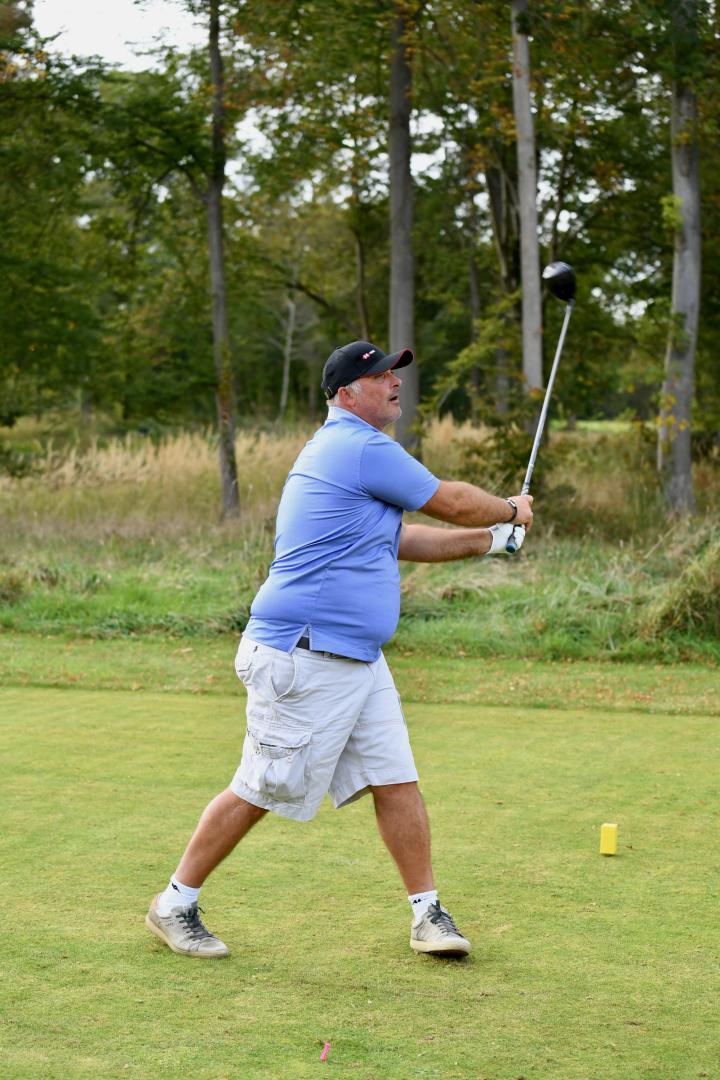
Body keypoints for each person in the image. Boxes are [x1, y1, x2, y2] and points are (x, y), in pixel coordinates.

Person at [146, 340, 533, 960]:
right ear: (347, 393)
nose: (395, 383)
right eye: (381, 376)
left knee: (395, 779)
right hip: (303, 653)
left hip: (357, 657)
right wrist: (510, 508)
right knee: (261, 787)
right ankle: (174, 903)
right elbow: (450, 500)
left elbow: (404, 540)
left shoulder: (356, 460)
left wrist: (490, 540)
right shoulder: (356, 447)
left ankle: (427, 914)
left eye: (396, 374)